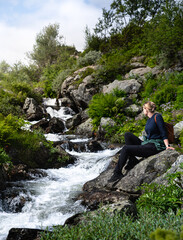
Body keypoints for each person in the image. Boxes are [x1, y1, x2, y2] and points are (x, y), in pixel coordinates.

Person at [108, 101, 175, 183]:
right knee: (127, 135)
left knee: (125, 148)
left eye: (143, 109)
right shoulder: (149, 120)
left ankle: (117, 173)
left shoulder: (157, 117)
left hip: (154, 146)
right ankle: (132, 160)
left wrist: (167, 145)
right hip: (147, 143)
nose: (143, 111)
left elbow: (163, 132)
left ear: (146, 109)